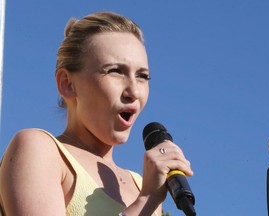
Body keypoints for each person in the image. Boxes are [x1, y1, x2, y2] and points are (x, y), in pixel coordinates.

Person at [0, 11, 193, 216]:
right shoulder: (39, 148)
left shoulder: (141, 184)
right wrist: (145, 201)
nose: (134, 91)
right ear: (67, 84)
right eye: (115, 71)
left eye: (142, 76)